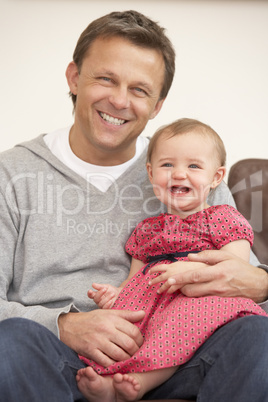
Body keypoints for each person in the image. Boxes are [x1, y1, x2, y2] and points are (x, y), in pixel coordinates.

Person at [0, 9, 267, 402]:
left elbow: (246, 277)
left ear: (157, 104)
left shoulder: (189, 170)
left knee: (258, 338)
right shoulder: (12, 174)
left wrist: (262, 282)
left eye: (139, 90)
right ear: (75, 77)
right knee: (11, 345)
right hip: (59, 358)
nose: (120, 100)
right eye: (106, 79)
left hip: (180, 353)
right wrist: (64, 324)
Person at [76, 118, 267, 402]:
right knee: (125, 324)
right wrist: (115, 294)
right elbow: (134, 279)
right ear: (151, 174)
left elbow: (234, 270)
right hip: (153, 302)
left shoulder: (224, 218)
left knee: (183, 322)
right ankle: (108, 378)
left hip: (202, 301)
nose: (179, 174)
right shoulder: (147, 229)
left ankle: (140, 382)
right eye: (167, 165)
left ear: (216, 177)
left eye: (193, 166)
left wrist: (193, 269)